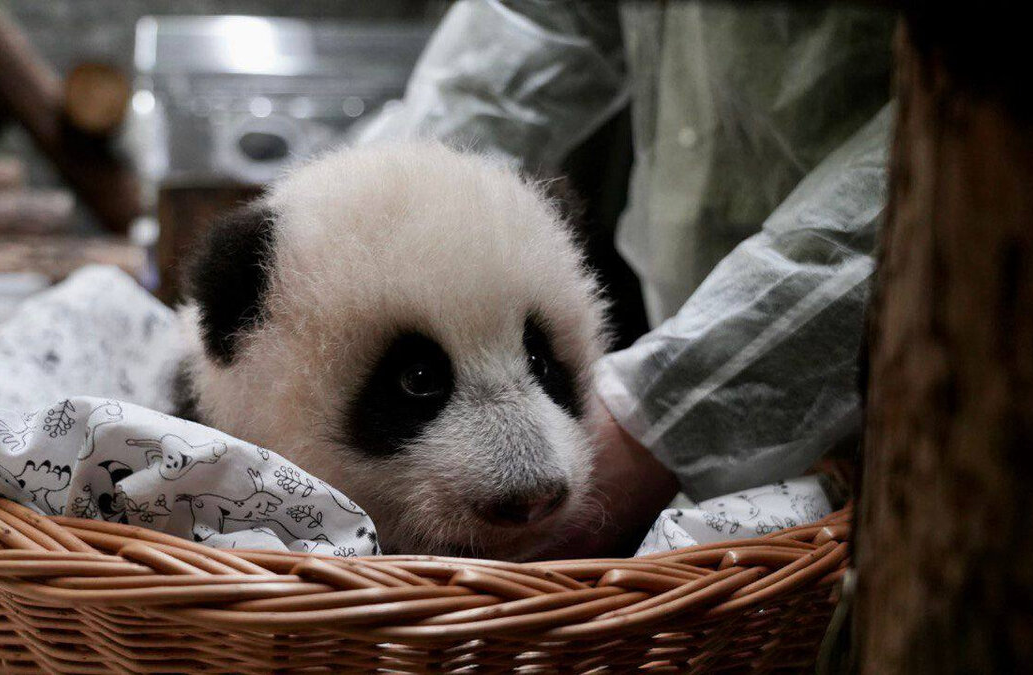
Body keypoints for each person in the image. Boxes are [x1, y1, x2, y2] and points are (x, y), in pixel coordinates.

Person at [358, 1, 895, 556]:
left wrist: (658, 413)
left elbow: (914, 184)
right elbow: (538, 24)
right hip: (676, 352)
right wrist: (376, 219)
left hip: (894, 392)